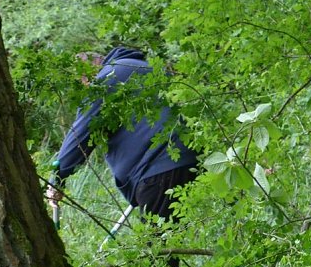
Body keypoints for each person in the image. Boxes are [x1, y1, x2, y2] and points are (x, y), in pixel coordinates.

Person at [47, 46, 198, 228]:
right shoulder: (140, 67)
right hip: (194, 156)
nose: (84, 88)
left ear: (87, 73)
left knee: (158, 250)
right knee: (183, 236)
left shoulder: (106, 80)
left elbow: (80, 135)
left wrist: (57, 178)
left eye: (82, 82)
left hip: (159, 168)